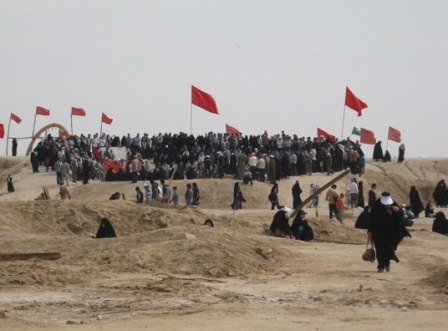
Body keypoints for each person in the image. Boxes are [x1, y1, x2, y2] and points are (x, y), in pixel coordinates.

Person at [368, 192, 411, 273]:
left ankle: (387, 263)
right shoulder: (377, 205)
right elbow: (372, 219)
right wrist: (370, 230)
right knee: (379, 250)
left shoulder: (394, 204)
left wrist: (398, 210)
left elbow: (400, 216)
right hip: (378, 232)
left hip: (390, 232)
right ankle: (381, 266)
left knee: (389, 248)